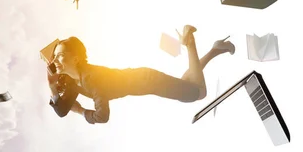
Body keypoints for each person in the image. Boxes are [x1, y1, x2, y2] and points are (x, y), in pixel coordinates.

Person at [46, 25, 235, 124]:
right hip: (144, 79)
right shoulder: (72, 80)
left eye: (61, 56)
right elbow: (62, 110)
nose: (55, 61)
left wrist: (80, 111)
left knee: (197, 93)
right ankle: (215, 50)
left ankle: (189, 42)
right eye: (54, 58)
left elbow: (102, 116)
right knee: (187, 81)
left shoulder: (90, 78)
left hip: (149, 81)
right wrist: (52, 85)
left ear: (76, 59)